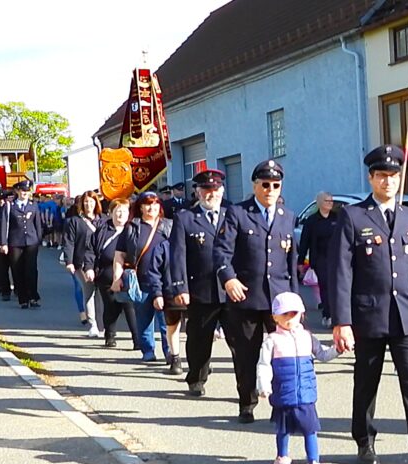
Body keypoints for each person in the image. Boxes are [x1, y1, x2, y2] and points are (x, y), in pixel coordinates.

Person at [328, 145, 408, 464]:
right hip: (368, 316)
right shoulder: (353, 217)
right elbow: (341, 272)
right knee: (366, 384)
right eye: (382, 175)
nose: (388, 181)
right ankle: (365, 442)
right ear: (371, 178)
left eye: (394, 175)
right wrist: (342, 322)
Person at [214, 159, 301, 423]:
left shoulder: (288, 217)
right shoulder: (238, 213)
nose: (270, 189)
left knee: (284, 354)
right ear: (255, 185)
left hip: (279, 299)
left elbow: (292, 262)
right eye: (265, 184)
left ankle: (282, 404)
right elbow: (221, 252)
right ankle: (247, 402)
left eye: (275, 185)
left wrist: (296, 303)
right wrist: (228, 279)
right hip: (247, 296)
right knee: (246, 353)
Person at [256, 292, 337, 464]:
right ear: (275, 316)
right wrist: (264, 386)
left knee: (311, 429)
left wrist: (338, 348)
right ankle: (282, 459)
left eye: (294, 314)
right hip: (283, 392)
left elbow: (323, 354)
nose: (290, 319)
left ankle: (314, 463)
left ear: (301, 314)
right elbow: (264, 365)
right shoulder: (272, 340)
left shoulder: (307, 337)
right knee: (283, 429)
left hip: (306, 394)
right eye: (285, 315)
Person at [169, 169, 232, 397]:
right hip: (200, 290)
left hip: (230, 290)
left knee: (240, 341)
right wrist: (180, 287)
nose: (211, 194)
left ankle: (247, 384)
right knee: (199, 339)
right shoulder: (185, 218)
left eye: (215, 190)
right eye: (206, 189)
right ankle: (196, 377)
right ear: (197, 191)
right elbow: (178, 256)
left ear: (222, 191)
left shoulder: (231, 215)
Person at [112, 192, 174, 362]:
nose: (151, 208)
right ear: (140, 207)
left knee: (166, 319)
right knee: (144, 318)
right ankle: (148, 350)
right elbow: (119, 255)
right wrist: (117, 278)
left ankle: (170, 351)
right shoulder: (132, 227)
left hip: (165, 281)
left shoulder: (169, 226)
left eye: (155, 204)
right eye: (147, 204)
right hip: (140, 281)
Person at [85, 199, 137, 349]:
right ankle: (110, 335)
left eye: (124, 211)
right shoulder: (102, 230)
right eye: (117, 211)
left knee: (130, 306)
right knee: (111, 306)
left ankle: (137, 339)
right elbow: (90, 251)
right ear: (111, 213)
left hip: (129, 274)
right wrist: (89, 267)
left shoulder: (133, 229)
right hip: (106, 274)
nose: (121, 214)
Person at [63, 191, 107, 337]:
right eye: (86, 202)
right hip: (81, 261)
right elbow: (69, 242)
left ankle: (102, 324)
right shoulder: (74, 221)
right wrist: (69, 261)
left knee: (101, 293)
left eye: (92, 202)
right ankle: (93, 323)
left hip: (100, 261)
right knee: (89, 291)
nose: (89, 205)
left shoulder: (103, 220)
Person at [296, 191, 340, 328]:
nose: (330, 203)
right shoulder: (312, 221)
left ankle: (337, 315)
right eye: (327, 201)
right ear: (320, 203)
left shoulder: (337, 218)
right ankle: (327, 315)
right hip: (320, 259)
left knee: (337, 288)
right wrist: (301, 262)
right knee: (325, 287)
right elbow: (304, 242)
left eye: (331, 201)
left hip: (337, 259)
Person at [1, 180, 44, 309]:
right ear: (17, 191)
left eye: (27, 191)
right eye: (22, 191)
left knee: (31, 270)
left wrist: (39, 240)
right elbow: (5, 225)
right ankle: (22, 298)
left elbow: (38, 224)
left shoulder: (33, 205)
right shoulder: (10, 206)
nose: (24, 193)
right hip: (15, 242)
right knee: (17, 270)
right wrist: (4, 243)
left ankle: (33, 296)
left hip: (31, 241)